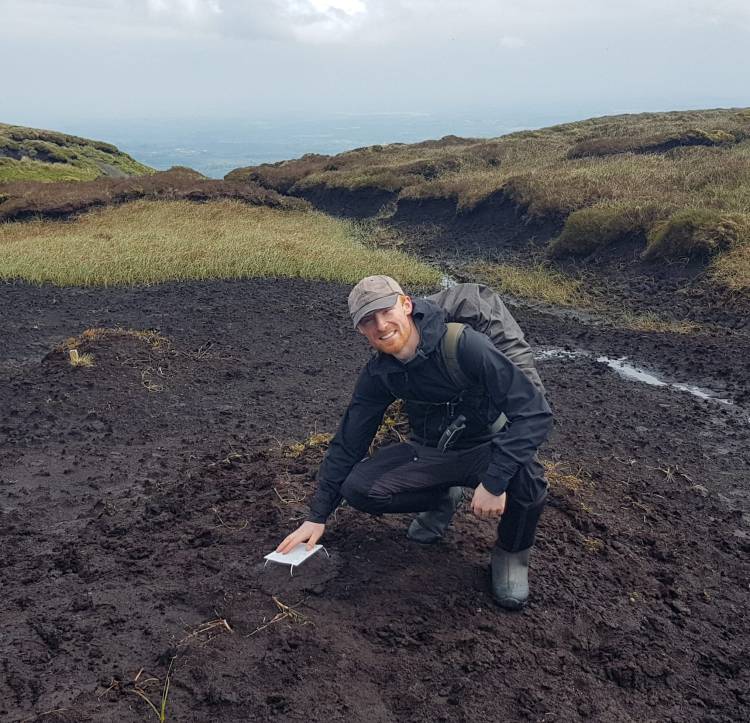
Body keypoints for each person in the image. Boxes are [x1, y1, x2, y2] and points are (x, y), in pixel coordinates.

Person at [276, 275, 553, 609]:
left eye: (385, 311)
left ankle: (510, 555)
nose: (380, 325)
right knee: (359, 487)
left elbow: (535, 413)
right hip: (431, 451)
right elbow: (349, 443)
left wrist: (495, 481)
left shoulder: (464, 344)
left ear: (406, 305)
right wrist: (318, 515)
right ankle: (441, 500)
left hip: (487, 448)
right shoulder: (380, 373)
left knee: (528, 485)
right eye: (367, 320)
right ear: (361, 331)